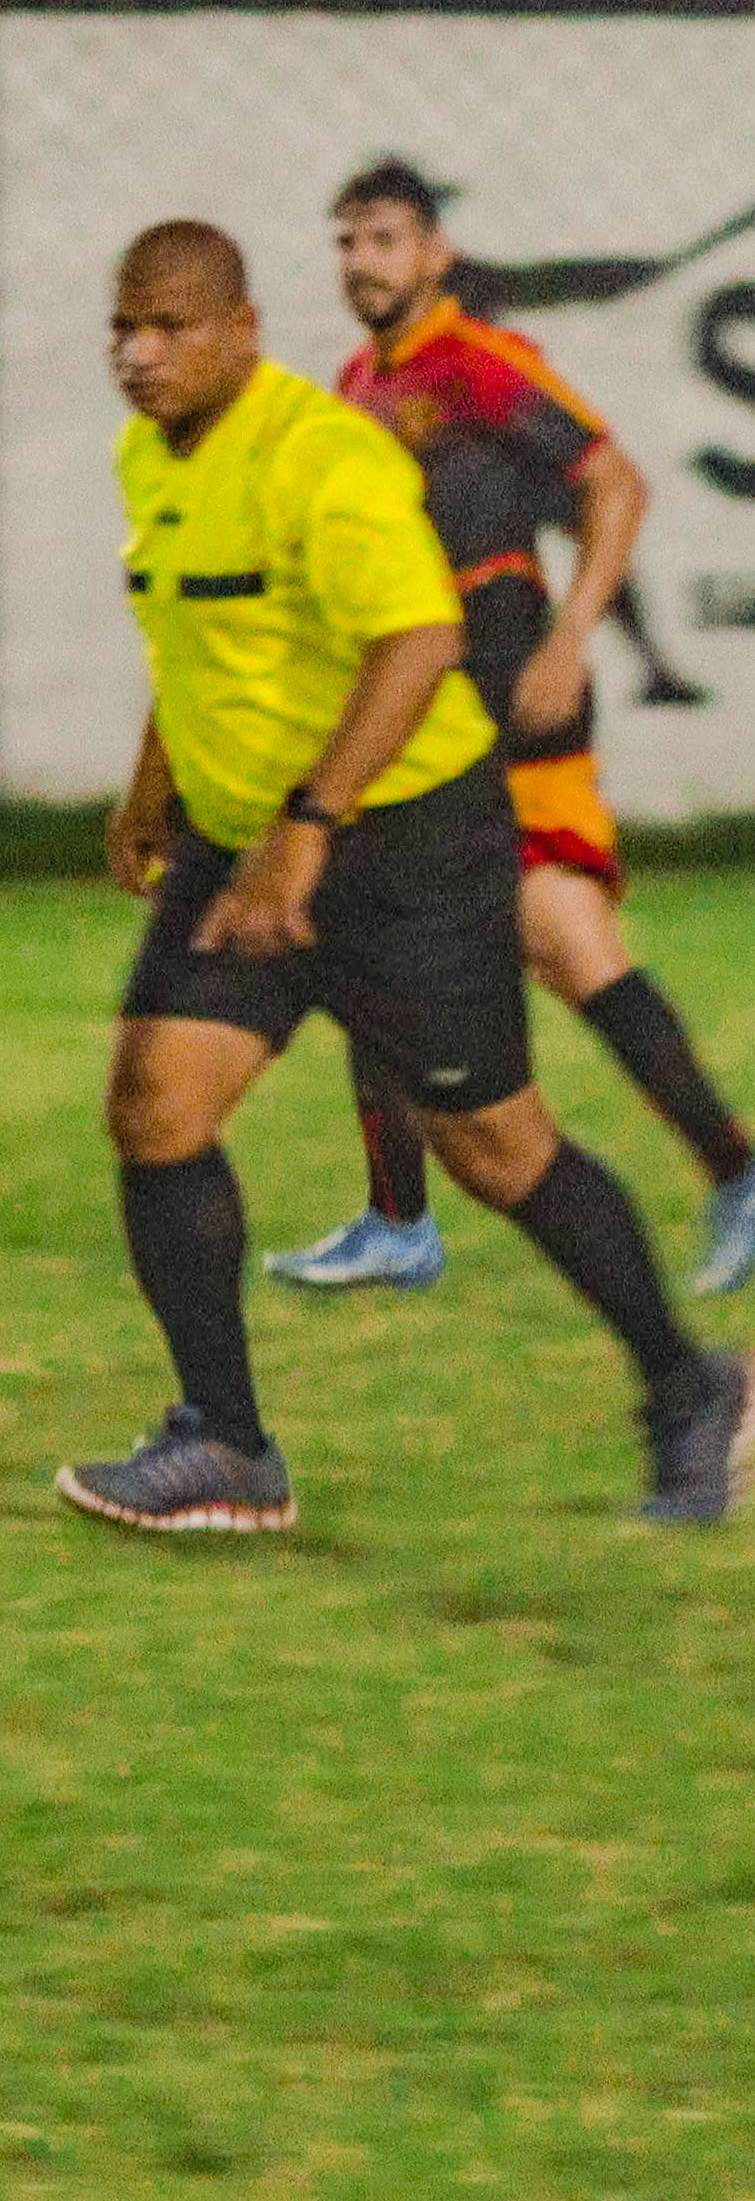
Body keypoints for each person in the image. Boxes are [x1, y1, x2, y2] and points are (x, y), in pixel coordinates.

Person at [57, 220, 735, 1535]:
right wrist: (153, 786)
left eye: (170, 326)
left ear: (243, 332)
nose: (138, 354)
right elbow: (199, 641)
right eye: (123, 327)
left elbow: (420, 643)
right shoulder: (153, 455)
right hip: (245, 843)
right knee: (156, 1105)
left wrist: (312, 826)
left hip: (407, 845)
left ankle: (689, 1385)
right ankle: (228, 1446)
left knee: (496, 1148)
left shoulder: (328, 457)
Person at [267, 159, 755, 1301]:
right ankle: (399, 1220)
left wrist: (569, 640)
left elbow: (616, 484)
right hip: (429, 718)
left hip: (511, 701)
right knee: (376, 938)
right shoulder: (359, 384)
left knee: (569, 945)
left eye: (385, 239)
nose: (362, 262)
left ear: (435, 253)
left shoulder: (479, 363)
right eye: (347, 242)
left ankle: (737, 1176)